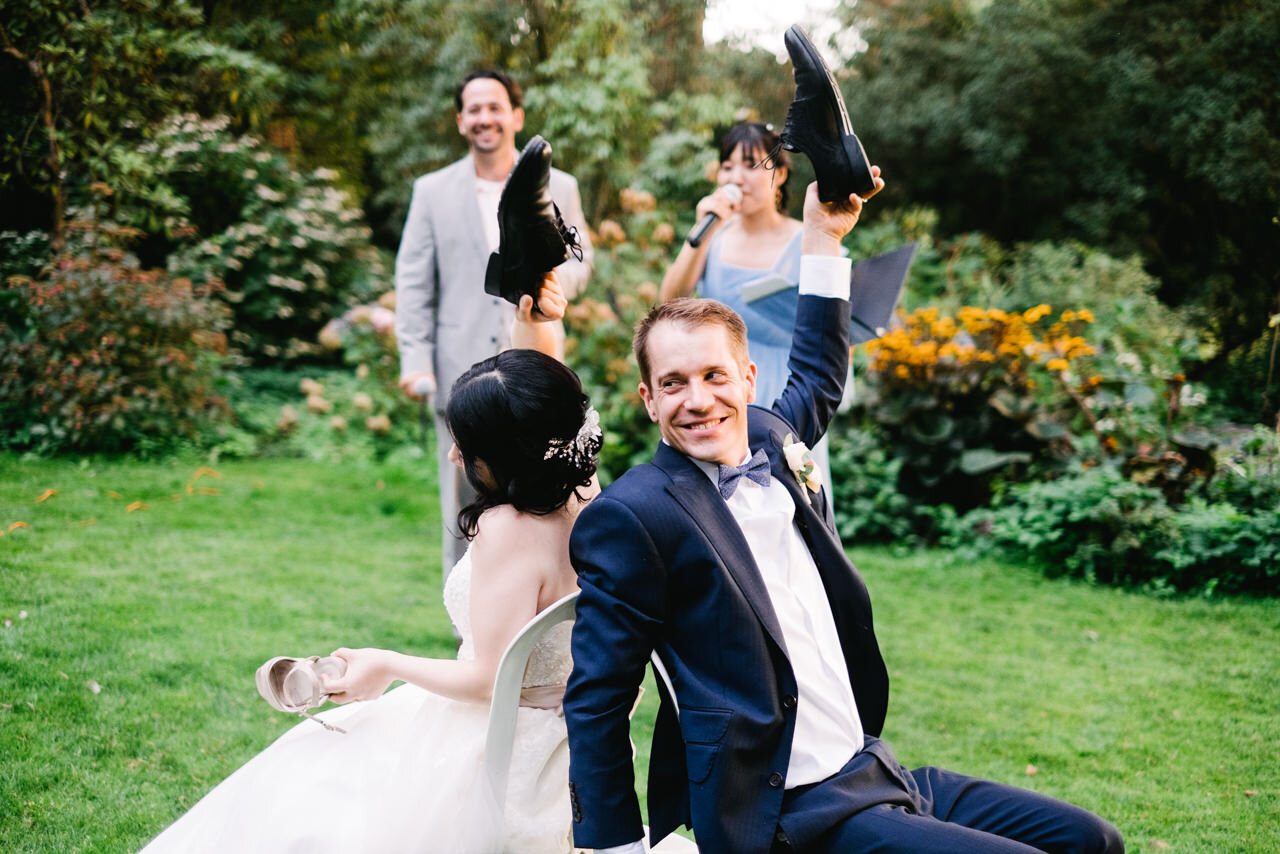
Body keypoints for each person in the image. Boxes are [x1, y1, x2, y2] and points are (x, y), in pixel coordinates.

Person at [563, 179, 1125, 854]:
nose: (697, 400)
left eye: (714, 376)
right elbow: (596, 697)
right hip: (788, 807)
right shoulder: (635, 515)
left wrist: (824, 237)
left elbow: (819, 372)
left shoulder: (771, 438)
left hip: (871, 768)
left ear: (746, 379)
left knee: (1092, 840)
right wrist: (617, 847)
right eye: (674, 384)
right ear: (648, 400)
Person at [140, 277, 599, 854]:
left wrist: (385, 662)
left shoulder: (506, 530)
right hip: (573, 741)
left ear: (508, 451)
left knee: (306, 787)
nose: (455, 454)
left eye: (465, 444)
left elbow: (487, 680)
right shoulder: (585, 491)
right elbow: (542, 390)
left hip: (503, 752)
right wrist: (533, 317)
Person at [394, 69, 594, 583]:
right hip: (461, 373)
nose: (485, 117)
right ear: (461, 121)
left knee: (549, 488)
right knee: (467, 506)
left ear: (516, 116)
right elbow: (414, 283)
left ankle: (551, 602)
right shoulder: (431, 191)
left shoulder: (560, 186)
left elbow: (580, 261)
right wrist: (415, 362)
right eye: (474, 109)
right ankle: (468, 624)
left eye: (495, 106)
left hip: (537, 361)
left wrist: (551, 294)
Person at [659, 121, 838, 477]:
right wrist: (701, 232)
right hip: (719, 388)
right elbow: (670, 303)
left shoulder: (815, 237)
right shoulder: (714, 234)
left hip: (788, 388)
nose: (737, 176)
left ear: (781, 175)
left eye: (752, 164)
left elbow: (833, 325)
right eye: (728, 166)